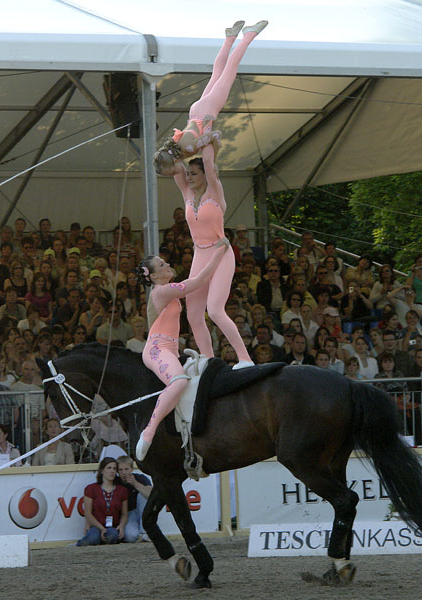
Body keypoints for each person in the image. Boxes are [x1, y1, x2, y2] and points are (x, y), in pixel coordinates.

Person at [134, 239, 228, 461]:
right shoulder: (161, 292)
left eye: (165, 262)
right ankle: (149, 432)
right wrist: (218, 252)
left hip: (171, 348)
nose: (167, 266)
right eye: (162, 265)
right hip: (157, 349)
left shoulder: (166, 291)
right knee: (179, 381)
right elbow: (197, 281)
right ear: (155, 276)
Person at [168, 153, 254, 369]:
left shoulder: (215, 191)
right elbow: (173, 165)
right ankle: (208, 359)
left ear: (207, 174)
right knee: (194, 313)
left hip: (221, 252)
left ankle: (245, 358)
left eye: (194, 173)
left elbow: (208, 159)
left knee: (215, 309)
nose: (189, 177)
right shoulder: (187, 192)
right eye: (188, 173)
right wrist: (177, 145)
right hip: (199, 254)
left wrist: (204, 137)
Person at [154, 20, 268, 170]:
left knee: (229, 72)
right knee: (218, 74)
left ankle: (249, 35)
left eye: (173, 172)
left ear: (174, 163)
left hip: (206, 110)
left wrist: (213, 159)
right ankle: (230, 38)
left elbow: (215, 135)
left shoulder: (188, 148)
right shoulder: (178, 145)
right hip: (196, 112)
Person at [77, 457, 128, 546]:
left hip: (113, 526)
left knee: (112, 536)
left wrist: (122, 526)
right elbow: (88, 513)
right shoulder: (91, 489)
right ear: (102, 470)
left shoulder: (122, 490)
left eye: (114, 468)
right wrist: (101, 529)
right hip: (96, 525)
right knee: (92, 539)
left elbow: (124, 513)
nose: (112, 471)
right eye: (109, 468)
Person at [117, 455, 152, 542]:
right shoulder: (116, 482)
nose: (124, 472)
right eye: (121, 470)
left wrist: (135, 483)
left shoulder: (140, 478)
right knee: (131, 537)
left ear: (132, 469)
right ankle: (141, 534)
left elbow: (151, 495)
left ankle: (145, 532)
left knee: (142, 495)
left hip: (142, 511)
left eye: (126, 469)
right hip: (127, 514)